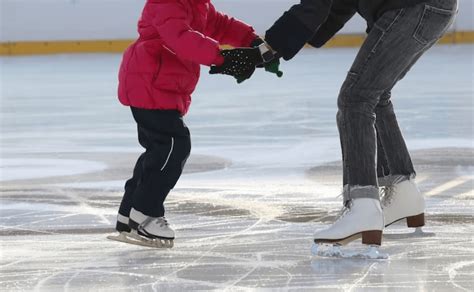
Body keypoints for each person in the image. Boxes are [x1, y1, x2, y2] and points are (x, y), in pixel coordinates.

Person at [211, 0, 458, 251]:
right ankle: (402, 191)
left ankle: (362, 205)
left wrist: (267, 49)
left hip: (412, 8)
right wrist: (277, 47)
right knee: (375, 95)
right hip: (426, 8)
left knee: (355, 99)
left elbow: (317, 4)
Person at [110, 0, 279, 248]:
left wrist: (251, 40)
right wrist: (220, 58)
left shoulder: (197, 5)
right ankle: (145, 213)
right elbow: (181, 37)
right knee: (174, 146)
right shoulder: (167, 2)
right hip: (150, 83)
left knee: (159, 150)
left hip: (158, 85)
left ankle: (128, 215)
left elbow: (221, 25)